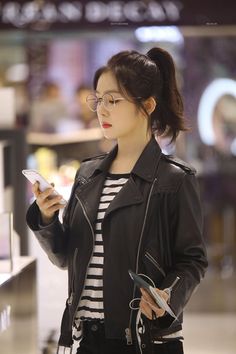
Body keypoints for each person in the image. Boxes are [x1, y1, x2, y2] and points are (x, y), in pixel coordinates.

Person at [26, 47, 208, 354]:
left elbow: (193, 260)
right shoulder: (88, 174)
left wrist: (167, 296)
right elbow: (65, 257)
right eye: (98, 100)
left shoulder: (174, 179)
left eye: (113, 100)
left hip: (142, 339)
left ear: (147, 105)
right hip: (83, 339)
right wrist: (46, 220)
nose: (102, 110)